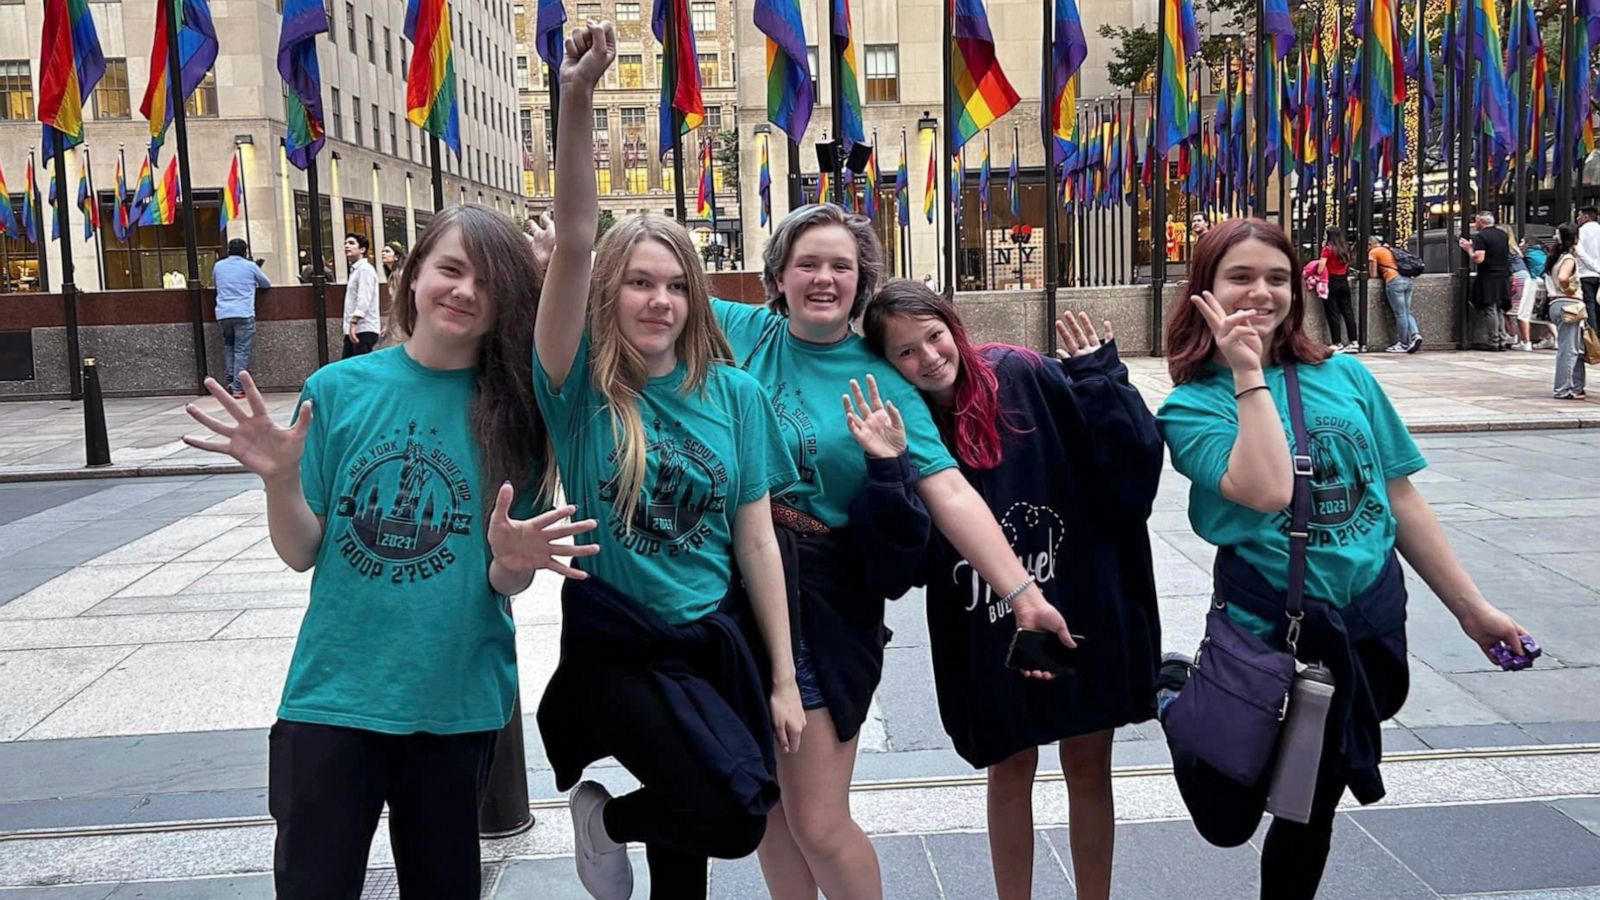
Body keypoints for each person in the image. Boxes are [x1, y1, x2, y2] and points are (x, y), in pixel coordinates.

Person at [179, 204, 594, 896]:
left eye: (487, 281)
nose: (464, 292)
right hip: (333, 696)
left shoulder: (517, 409)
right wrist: (281, 480)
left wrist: (515, 561)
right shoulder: (335, 392)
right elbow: (302, 550)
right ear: (413, 278)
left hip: (453, 697)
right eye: (451, 270)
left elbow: (502, 577)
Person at [1156, 218, 1529, 900]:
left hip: (1361, 621)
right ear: (1203, 289)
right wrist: (1246, 372)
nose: (1261, 294)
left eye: (1276, 278)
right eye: (1239, 277)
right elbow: (1266, 488)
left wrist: (1473, 610)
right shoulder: (1190, 407)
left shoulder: (1347, 376)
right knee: (1229, 813)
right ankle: (1175, 695)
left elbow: (1399, 497)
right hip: (1270, 630)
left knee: (1311, 800)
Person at [716, 203, 1076, 900]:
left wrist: (1024, 595)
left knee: (818, 820)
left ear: (861, 281)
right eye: (808, 264)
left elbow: (950, 493)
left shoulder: (881, 379)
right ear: (779, 276)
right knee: (766, 809)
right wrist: (559, 260)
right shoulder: (745, 334)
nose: (824, 278)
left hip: (822, 602)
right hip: (735, 589)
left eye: (841, 267)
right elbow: (644, 291)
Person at [530, 24, 804, 900]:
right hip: (620, 650)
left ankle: (620, 826)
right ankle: (607, 821)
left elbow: (757, 542)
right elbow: (574, 239)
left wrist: (786, 678)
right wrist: (575, 99)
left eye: (677, 283)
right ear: (611, 291)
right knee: (732, 815)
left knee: (684, 857)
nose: (660, 300)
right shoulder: (576, 391)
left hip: (712, 641)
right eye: (641, 282)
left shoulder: (733, 397)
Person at [860, 283, 1164, 900]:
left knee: (1088, 761)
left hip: (1078, 598)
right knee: (1009, 764)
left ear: (955, 327)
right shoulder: (908, 424)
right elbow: (908, 557)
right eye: (905, 353)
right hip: (986, 623)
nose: (928, 358)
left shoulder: (1020, 375)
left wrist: (1103, 380)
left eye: (934, 337)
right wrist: (887, 470)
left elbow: (1128, 473)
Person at [212, 238, 271, 399]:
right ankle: (238, 387)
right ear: (245, 252)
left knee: (229, 345)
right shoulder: (250, 266)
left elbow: (216, 284)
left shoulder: (218, 266)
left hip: (223, 313)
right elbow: (266, 284)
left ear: (228, 251)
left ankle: (231, 377)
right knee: (241, 350)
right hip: (244, 313)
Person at [1458, 211, 1514, 351]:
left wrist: (1469, 249)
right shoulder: (1502, 234)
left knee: (1490, 308)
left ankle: (1493, 340)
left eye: (1476, 221)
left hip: (1489, 276)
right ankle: (1502, 339)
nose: (1475, 224)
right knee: (1500, 308)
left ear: (1482, 222)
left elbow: (1479, 258)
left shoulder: (1482, 236)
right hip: (1503, 275)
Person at [1546, 223, 1588, 400]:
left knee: (1574, 347)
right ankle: (1563, 389)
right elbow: (1564, 277)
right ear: (1576, 239)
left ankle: (1576, 386)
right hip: (1569, 305)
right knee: (1568, 349)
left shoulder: (1557, 256)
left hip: (1557, 304)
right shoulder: (1569, 259)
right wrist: (1569, 289)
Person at [1366, 236, 1421, 354]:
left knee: (1400, 314)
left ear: (1370, 244)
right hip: (1407, 279)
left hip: (1393, 280)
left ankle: (1403, 343)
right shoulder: (1389, 249)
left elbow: (1373, 274)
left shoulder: (1373, 252)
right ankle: (1416, 334)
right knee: (1406, 311)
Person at [1315, 228, 1359, 352]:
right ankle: (1353, 341)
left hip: (1331, 281)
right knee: (1348, 312)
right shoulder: (1345, 249)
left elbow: (1320, 268)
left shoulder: (1328, 250)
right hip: (1343, 281)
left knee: (1332, 312)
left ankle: (1337, 342)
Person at [343, 233, 382, 358]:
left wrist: (354, 322)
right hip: (355, 329)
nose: (347, 246)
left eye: (351, 243)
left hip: (363, 329)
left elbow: (364, 298)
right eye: (346, 243)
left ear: (362, 249)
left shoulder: (365, 269)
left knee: (359, 371)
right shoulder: (355, 270)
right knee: (348, 368)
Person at [1520, 237, 1559, 350]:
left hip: (1535, 282)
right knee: (1545, 313)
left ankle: (1555, 338)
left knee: (1527, 313)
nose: (1520, 244)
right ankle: (1552, 338)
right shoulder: (1542, 251)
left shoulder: (1530, 252)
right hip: (1547, 282)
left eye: (1522, 241)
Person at [1575, 206, 1600, 327]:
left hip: (1586, 273)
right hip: (1597, 274)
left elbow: (1579, 251)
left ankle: (1592, 337)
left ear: (1586, 217)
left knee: (1589, 305)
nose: (1577, 218)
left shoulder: (1582, 231)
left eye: (1579, 215)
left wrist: (1593, 266)